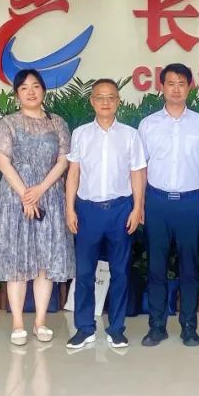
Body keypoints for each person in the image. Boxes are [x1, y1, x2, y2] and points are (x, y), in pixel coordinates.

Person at [0, 69, 74, 346]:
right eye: (24, 87)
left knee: (44, 262)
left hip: (49, 195)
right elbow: (3, 161)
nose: (31, 92)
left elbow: (63, 161)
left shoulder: (58, 123)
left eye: (36, 86)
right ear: (17, 94)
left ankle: (40, 321)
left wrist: (40, 189)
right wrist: (26, 196)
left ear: (43, 90)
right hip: (15, 198)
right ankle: (17, 322)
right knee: (17, 260)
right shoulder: (8, 122)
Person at [65, 78, 147, 350]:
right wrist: (69, 208)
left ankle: (117, 329)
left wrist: (138, 207)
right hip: (87, 210)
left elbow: (137, 173)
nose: (105, 102)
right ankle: (84, 328)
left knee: (120, 272)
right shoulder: (80, 134)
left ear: (118, 101)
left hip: (120, 209)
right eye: (100, 97)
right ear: (92, 101)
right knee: (85, 272)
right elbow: (73, 173)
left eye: (111, 97)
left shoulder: (130, 135)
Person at [137, 63, 199, 348]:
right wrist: (139, 204)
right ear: (162, 87)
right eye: (171, 83)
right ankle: (157, 327)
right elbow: (140, 168)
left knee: (189, 268)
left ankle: (189, 327)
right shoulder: (148, 125)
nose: (176, 89)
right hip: (156, 202)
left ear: (190, 87)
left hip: (190, 203)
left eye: (182, 83)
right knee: (156, 267)